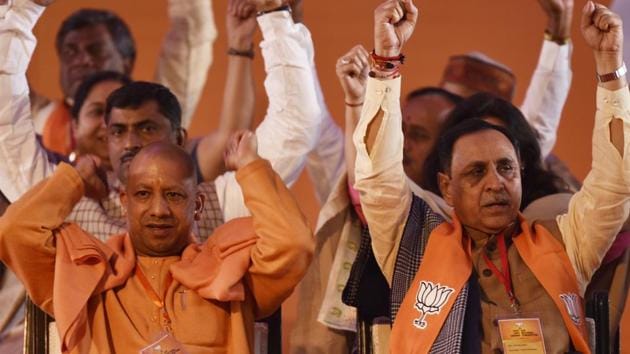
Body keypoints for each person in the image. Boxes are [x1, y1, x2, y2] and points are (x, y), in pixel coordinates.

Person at [354, 0, 629, 352]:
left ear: (522, 174)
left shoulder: (564, 241)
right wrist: (387, 61)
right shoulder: (413, 243)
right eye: (475, 172)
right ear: (446, 188)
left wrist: (610, 67)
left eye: (506, 168)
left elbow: (616, 181)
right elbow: (377, 176)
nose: (495, 183)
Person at [0, 136, 314, 353]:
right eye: (143, 194)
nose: (159, 210)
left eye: (175, 195)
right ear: (125, 201)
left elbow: (294, 242)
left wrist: (250, 166)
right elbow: (15, 230)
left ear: (197, 205)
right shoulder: (88, 272)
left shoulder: (230, 271)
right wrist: (75, 178)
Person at [30, 0, 216, 156]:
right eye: (70, 52)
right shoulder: (33, 115)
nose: (82, 60)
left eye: (96, 51)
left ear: (127, 62)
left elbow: (191, 30)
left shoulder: (157, 111)